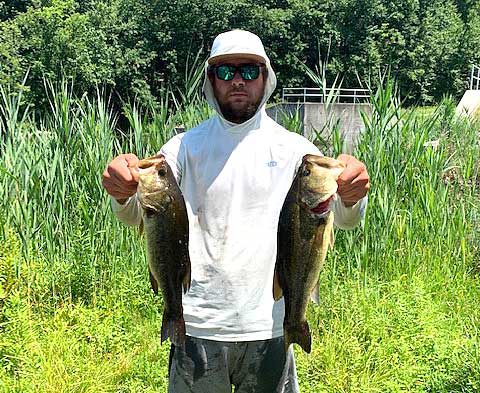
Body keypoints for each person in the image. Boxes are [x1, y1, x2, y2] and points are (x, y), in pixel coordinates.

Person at [102, 29, 370, 393]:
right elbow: (141, 212)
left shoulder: (298, 152)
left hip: (270, 326)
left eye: (249, 70)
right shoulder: (182, 148)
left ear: (266, 77)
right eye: (226, 72)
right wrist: (121, 192)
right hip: (198, 323)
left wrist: (353, 195)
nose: (238, 80)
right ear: (211, 80)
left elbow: (343, 218)